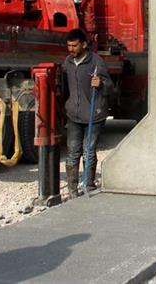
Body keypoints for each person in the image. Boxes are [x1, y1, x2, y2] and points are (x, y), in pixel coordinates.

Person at [62, 28, 113, 196]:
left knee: (88, 151)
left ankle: (88, 185)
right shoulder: (67, 63)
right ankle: (72, 189)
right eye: (69, 46)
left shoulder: (96, 62)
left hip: (94, 114)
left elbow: (110, 87)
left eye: (74, 46)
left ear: (83, 45)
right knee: (72, 151)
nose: (71, 49)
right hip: (74, 115)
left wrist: (101, 84)